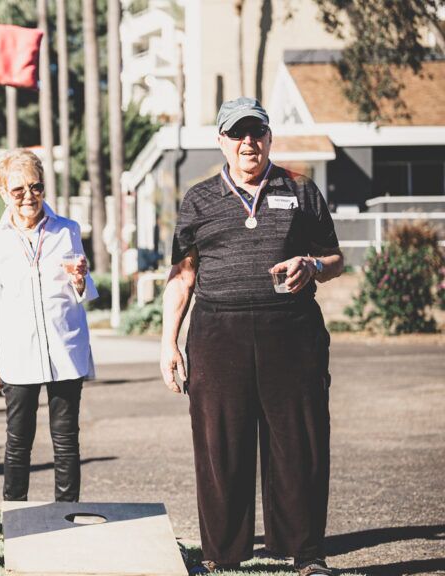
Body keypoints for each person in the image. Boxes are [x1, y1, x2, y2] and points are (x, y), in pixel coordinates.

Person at [159, 98, 343, 575]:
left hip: (292, 333)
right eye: (237, 133)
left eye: (256, 132)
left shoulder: (300, 189)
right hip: (218, 334)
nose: (248, 142)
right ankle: (222, 554)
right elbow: (183, 275)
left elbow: (335, 258)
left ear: (269, 137)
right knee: (220, 445)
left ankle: (307, 554)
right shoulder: (199, 199)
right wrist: (168, 342)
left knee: (300, 442)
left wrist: (312, 264)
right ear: (221, 141)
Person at [0, 149, 97, 503]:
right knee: (18, 440)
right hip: (18, 352)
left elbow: (84, 292)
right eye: (18, 190)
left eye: (36, 186)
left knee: (66, 439)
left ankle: (66, 514)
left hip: (64, 348)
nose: (29, 196)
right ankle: (15, 515)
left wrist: (80, 280)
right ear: (4, 193)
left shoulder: (67, 230)